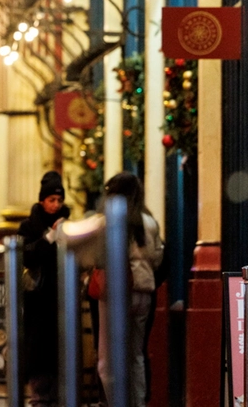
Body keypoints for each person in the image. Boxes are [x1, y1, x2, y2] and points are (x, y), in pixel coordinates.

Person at [96, 173, 163, 407]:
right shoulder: (150, 222)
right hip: (144, 293)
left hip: (117, 294)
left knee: (107, 360)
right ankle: (139, 404)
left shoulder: (111, 222)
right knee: (136, 356)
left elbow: (100, 256)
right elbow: (157, 259)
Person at [17, 172, 71, 407]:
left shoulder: (69, 224)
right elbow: (26, 256)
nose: (56, 205)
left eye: (59, 200)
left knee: (60, 346)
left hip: (62, 295)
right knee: (37, 348)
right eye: (51, 200)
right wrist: (50, 237)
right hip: (37, 298)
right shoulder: (29, 226)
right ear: (42, 200)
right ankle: (39, 396)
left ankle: (60, 395)